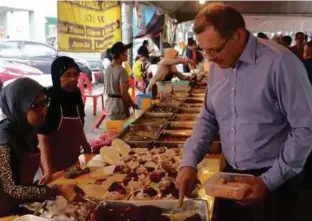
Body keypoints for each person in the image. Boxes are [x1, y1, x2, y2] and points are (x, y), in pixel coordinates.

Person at [176, 3, 312, 221]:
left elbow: (305, 129)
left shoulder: (280, 63)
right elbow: (208, 118)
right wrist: (189, 162)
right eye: (205, 51)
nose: (210, 58)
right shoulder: (217, 68)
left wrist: (268, 181)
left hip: (275, 180)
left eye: (215, 50)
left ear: (238, 35)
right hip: (231, 176)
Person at [0, 78, 83, 216]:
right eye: (35, 106)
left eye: (45, 103)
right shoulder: (4, 141)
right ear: (18, 106)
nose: (44, 110)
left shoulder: (26, 131)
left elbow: (20, 180)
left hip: (18, 206)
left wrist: (39, 185)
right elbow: (11, 189)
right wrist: (54, 190)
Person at [38, 56, 91, 184]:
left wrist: (87, 148)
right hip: (54, 162)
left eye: (75, 74)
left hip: (72, 159)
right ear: (57, 76)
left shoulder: (76, 95)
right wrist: (49, 171)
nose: (73, 79)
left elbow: (79, 125)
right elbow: (43, 139)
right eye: (67, 75)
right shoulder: (51, 100)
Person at [103, 42, 138, 120]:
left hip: (109, 104)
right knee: (122, 129)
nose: (127, 54)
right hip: (119, 106)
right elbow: (124, 92)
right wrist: (133, 105)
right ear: (119, 54)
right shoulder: (121, 70)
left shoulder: (108, 69)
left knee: (115, 128)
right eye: (125, 52)